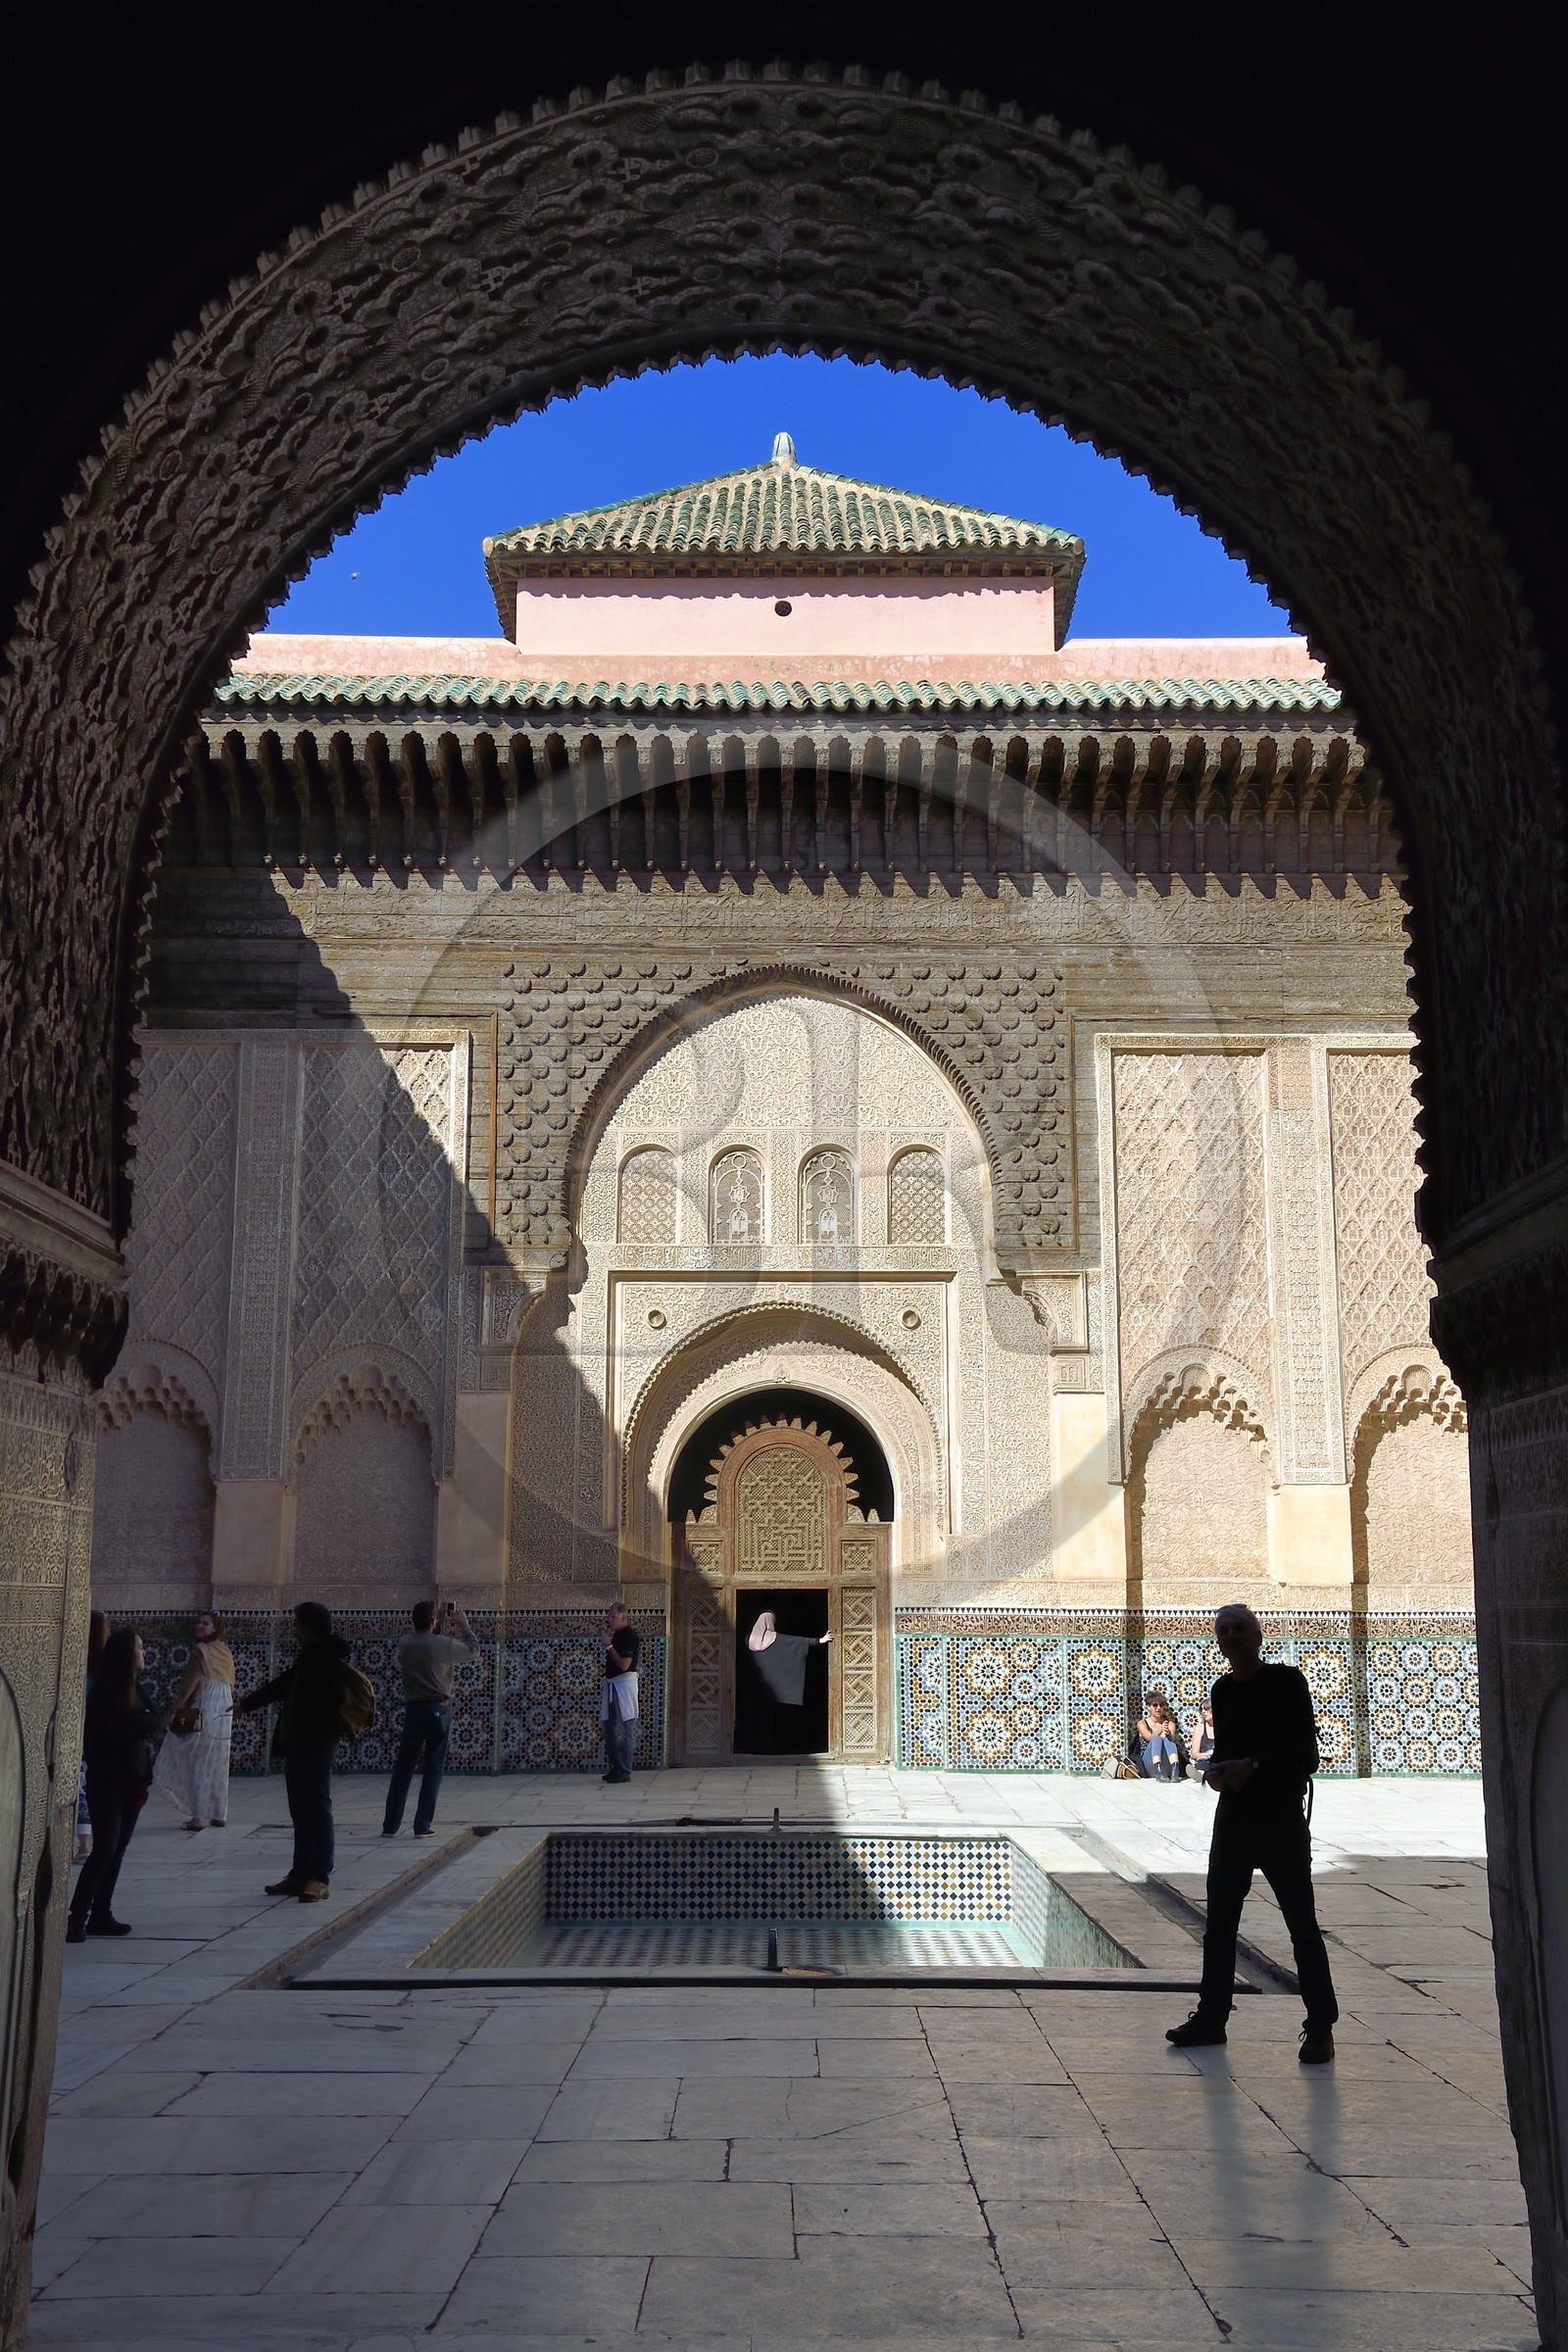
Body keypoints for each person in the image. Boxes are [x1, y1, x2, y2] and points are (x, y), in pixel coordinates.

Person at [1167, 1602, 1340, 2064]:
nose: (1230, 1637)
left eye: (1238, 1628)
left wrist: (1254, 1767)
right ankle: (1211, 2018)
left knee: (1300, 1924)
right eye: (1222, 1631)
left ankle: (1320, 2025)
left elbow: (1306, 1756)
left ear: (1257, 1636)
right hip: (1235, 1819)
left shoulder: (1286, 1683)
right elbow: (1231, 1748)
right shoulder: (1223, 1691)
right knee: (1219, 1925)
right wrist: (1221, 1770)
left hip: (1279, 1818)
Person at [235, 1600, 351, 1902]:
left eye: (297, 1623)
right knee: (301, 1811)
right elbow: (283, 1685)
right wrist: (246, 1705)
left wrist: (312, 1737)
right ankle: (299, 1875)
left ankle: (319, 1878)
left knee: (317, 1808)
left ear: (310, 1626)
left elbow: (327, 1707)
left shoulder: (326, 1660)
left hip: (315, 1745)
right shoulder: (310, 1657)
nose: (294, 1628)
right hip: (300, 1745)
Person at [67, 1627, 158, 1941]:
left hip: (133, 1780)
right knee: (104, 1847)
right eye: (140, 1647)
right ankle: (77, 1916)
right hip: (107, 1780)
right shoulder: (103, 1691)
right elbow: (109, 1731)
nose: (143, 1653)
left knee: (117, 1848)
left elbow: (155, 1720)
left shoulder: (136, 1687)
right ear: (125, 1654)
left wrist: (133, 1723)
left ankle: (101, 1915)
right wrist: (135, 1724)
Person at [382, 1598, 477, 1837]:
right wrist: (464, 1625)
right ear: (433, 1621)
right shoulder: (443, 1644)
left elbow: (426, 1638)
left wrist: (437, 1620)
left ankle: (390, 1825)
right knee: (433, 1767)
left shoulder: (404, 1643)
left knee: (403, 1768)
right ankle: (422, 1825)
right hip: (438, 1709)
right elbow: (473, 1651)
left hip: (413, 1710)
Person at [150, 1610, 235, 1831]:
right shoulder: (224, 1651)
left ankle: (197, 1818)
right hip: (224, 1707)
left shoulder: (201, 1651)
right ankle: (219, 1814)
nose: (199, 1626)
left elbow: (189, 1686)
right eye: (198, 1622)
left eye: (205, 1623)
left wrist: (175, 1710)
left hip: (205, 1705)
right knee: (217, 1760)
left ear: (215, 1628)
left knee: (198, 1762)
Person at [744, 1610, 832, 1751]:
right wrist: (820, 1640)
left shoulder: (747, 1639)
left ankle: (759, 1748)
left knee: (760, 1720)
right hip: (781, 1693)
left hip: (757, 1691)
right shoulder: (777, 1638)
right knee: (781, 1720)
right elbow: (797, 1641)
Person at [74, 1610, 112, 1862]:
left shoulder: (75, 1660)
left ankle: (84, 1844)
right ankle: (91, 1843)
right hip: (101, 1735)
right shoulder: (111, 1667)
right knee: (92, 1786)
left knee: (80, 1785)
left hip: (78, 1732)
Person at [599, 1603, 642, 1785]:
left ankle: (624, 1771)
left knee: (625, 1730)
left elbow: (624, 1665)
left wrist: (608, 1647)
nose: (609, 1620)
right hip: (612, 1685)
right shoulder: (618, 1635)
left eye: (613, 1617)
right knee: (609, 1728)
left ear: (623, 1617)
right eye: (609, 1617)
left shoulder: (630, 1636)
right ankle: (616, 1768)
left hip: (624, 1686)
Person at [1137, 1692, 1186, 1781]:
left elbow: (1171, 1740)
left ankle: (1175, 1769)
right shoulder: (1142, 1723)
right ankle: (1158, 1771)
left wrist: (1167, 1733)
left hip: (1166, 1765)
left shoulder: (1170, 1724)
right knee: (1157, 1739)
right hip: (1149, 1765)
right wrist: (1160, 1729)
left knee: (1168, 1739)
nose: (1158, 1708)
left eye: (1161, 1705)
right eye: (1155, 1705)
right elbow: (1149, 1737)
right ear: (1148, 1707)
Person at [1190, 1701, 1216, 1774]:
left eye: (1206, 1708)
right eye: (1201, 1709)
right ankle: (1201, 1775)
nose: (1203, 1712)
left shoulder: (1222, 1728)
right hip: (1205, 1760)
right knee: (1202, 1763)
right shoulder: (1199, 1728)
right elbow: (1194, 1754)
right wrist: (1206, 1755)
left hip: (1218, 1759)